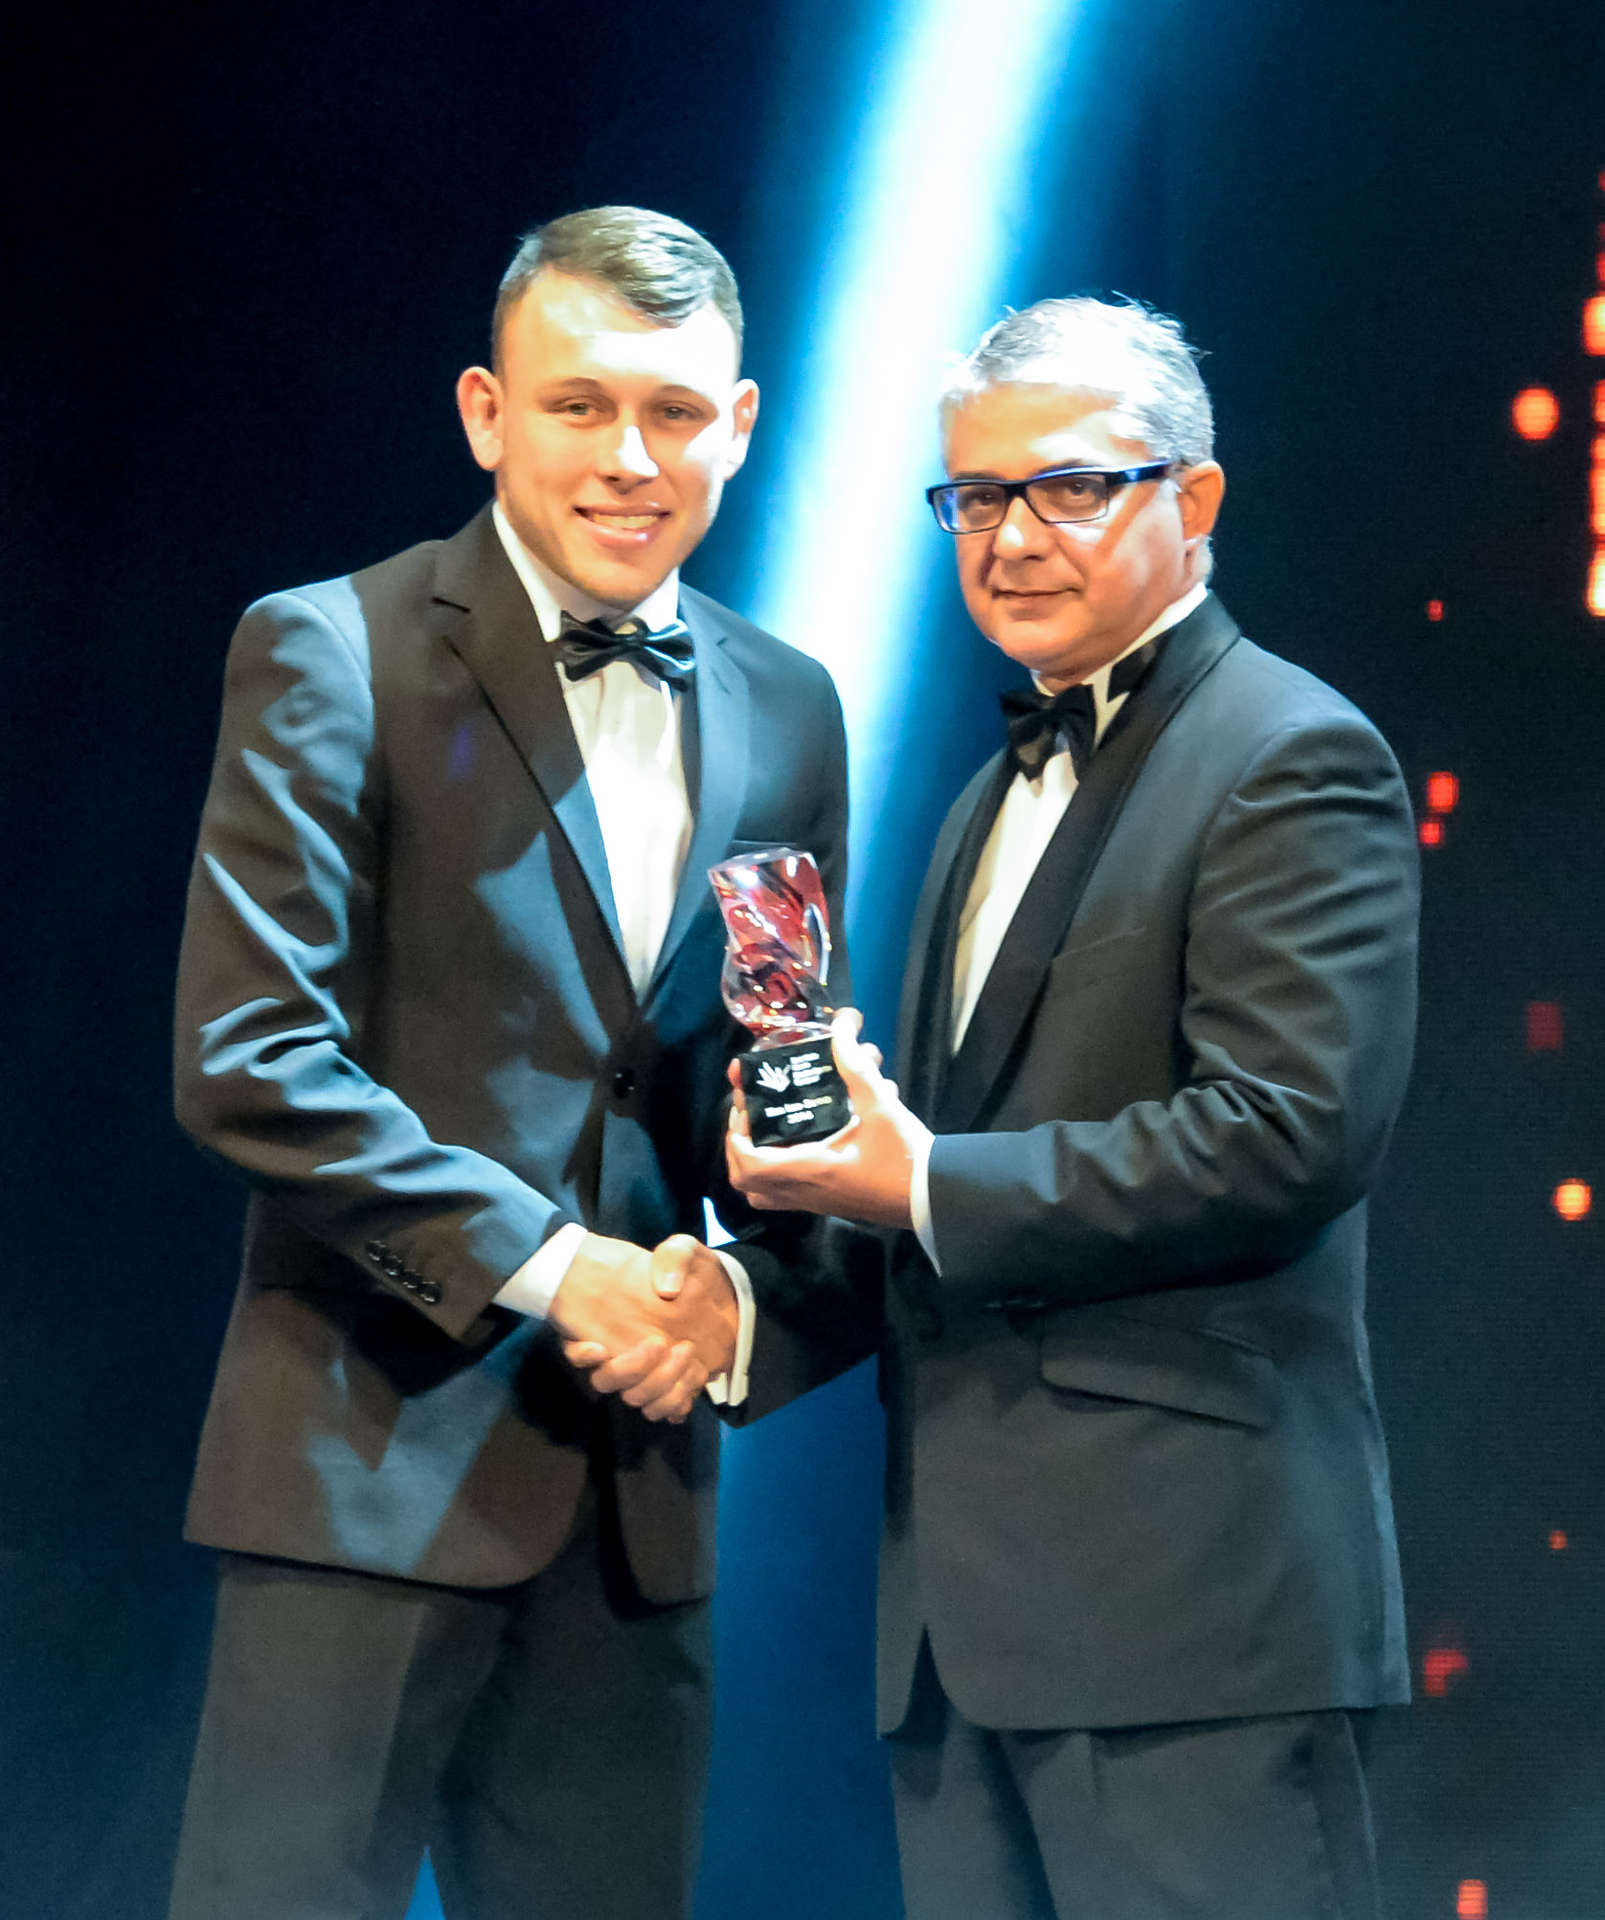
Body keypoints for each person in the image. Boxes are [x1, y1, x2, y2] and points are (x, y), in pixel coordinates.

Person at [663, 295, 1416, 1918]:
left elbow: (1286, 1134)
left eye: (1066, 487)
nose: (1009, 538)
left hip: (1193, 1623)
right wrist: (738, 1303)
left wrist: (918, 1178)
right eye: (974, 498)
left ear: (1192, 499)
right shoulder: (976, 802)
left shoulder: (1292, 752)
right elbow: (931, 1187)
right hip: (956, 1638)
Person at [168, 205, 849, 1920]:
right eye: (579, 404)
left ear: (739, 427)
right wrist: (560, 1270)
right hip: (357, 1480)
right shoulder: (333, 644)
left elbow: (773, 1079)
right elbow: (250, 1057)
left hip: (637, 1509)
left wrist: (736, 1300)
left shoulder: (791, 706)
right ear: (486, 413)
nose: (631, 457)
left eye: (675, 413)